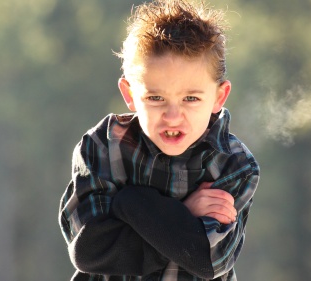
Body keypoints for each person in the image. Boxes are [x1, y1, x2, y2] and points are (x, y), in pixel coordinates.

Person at [59, 0, 260, 280]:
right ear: (129, 94)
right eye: (156, 98)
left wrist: (129, 203)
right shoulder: (104, 146)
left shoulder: (233, 164)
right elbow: (90, 251)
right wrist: (183, 214)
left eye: (191, 98)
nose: (173, 116)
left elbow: (207, 260)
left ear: (219, 97)